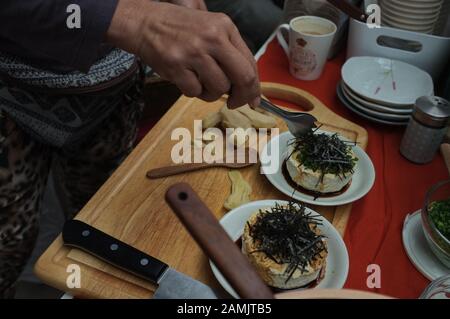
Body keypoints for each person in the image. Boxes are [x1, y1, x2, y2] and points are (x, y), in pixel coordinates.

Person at [0, 0, 261, 298]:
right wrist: (134, 19)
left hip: (112, 93)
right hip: (8, 96)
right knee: (7, 246)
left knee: (106, 221)